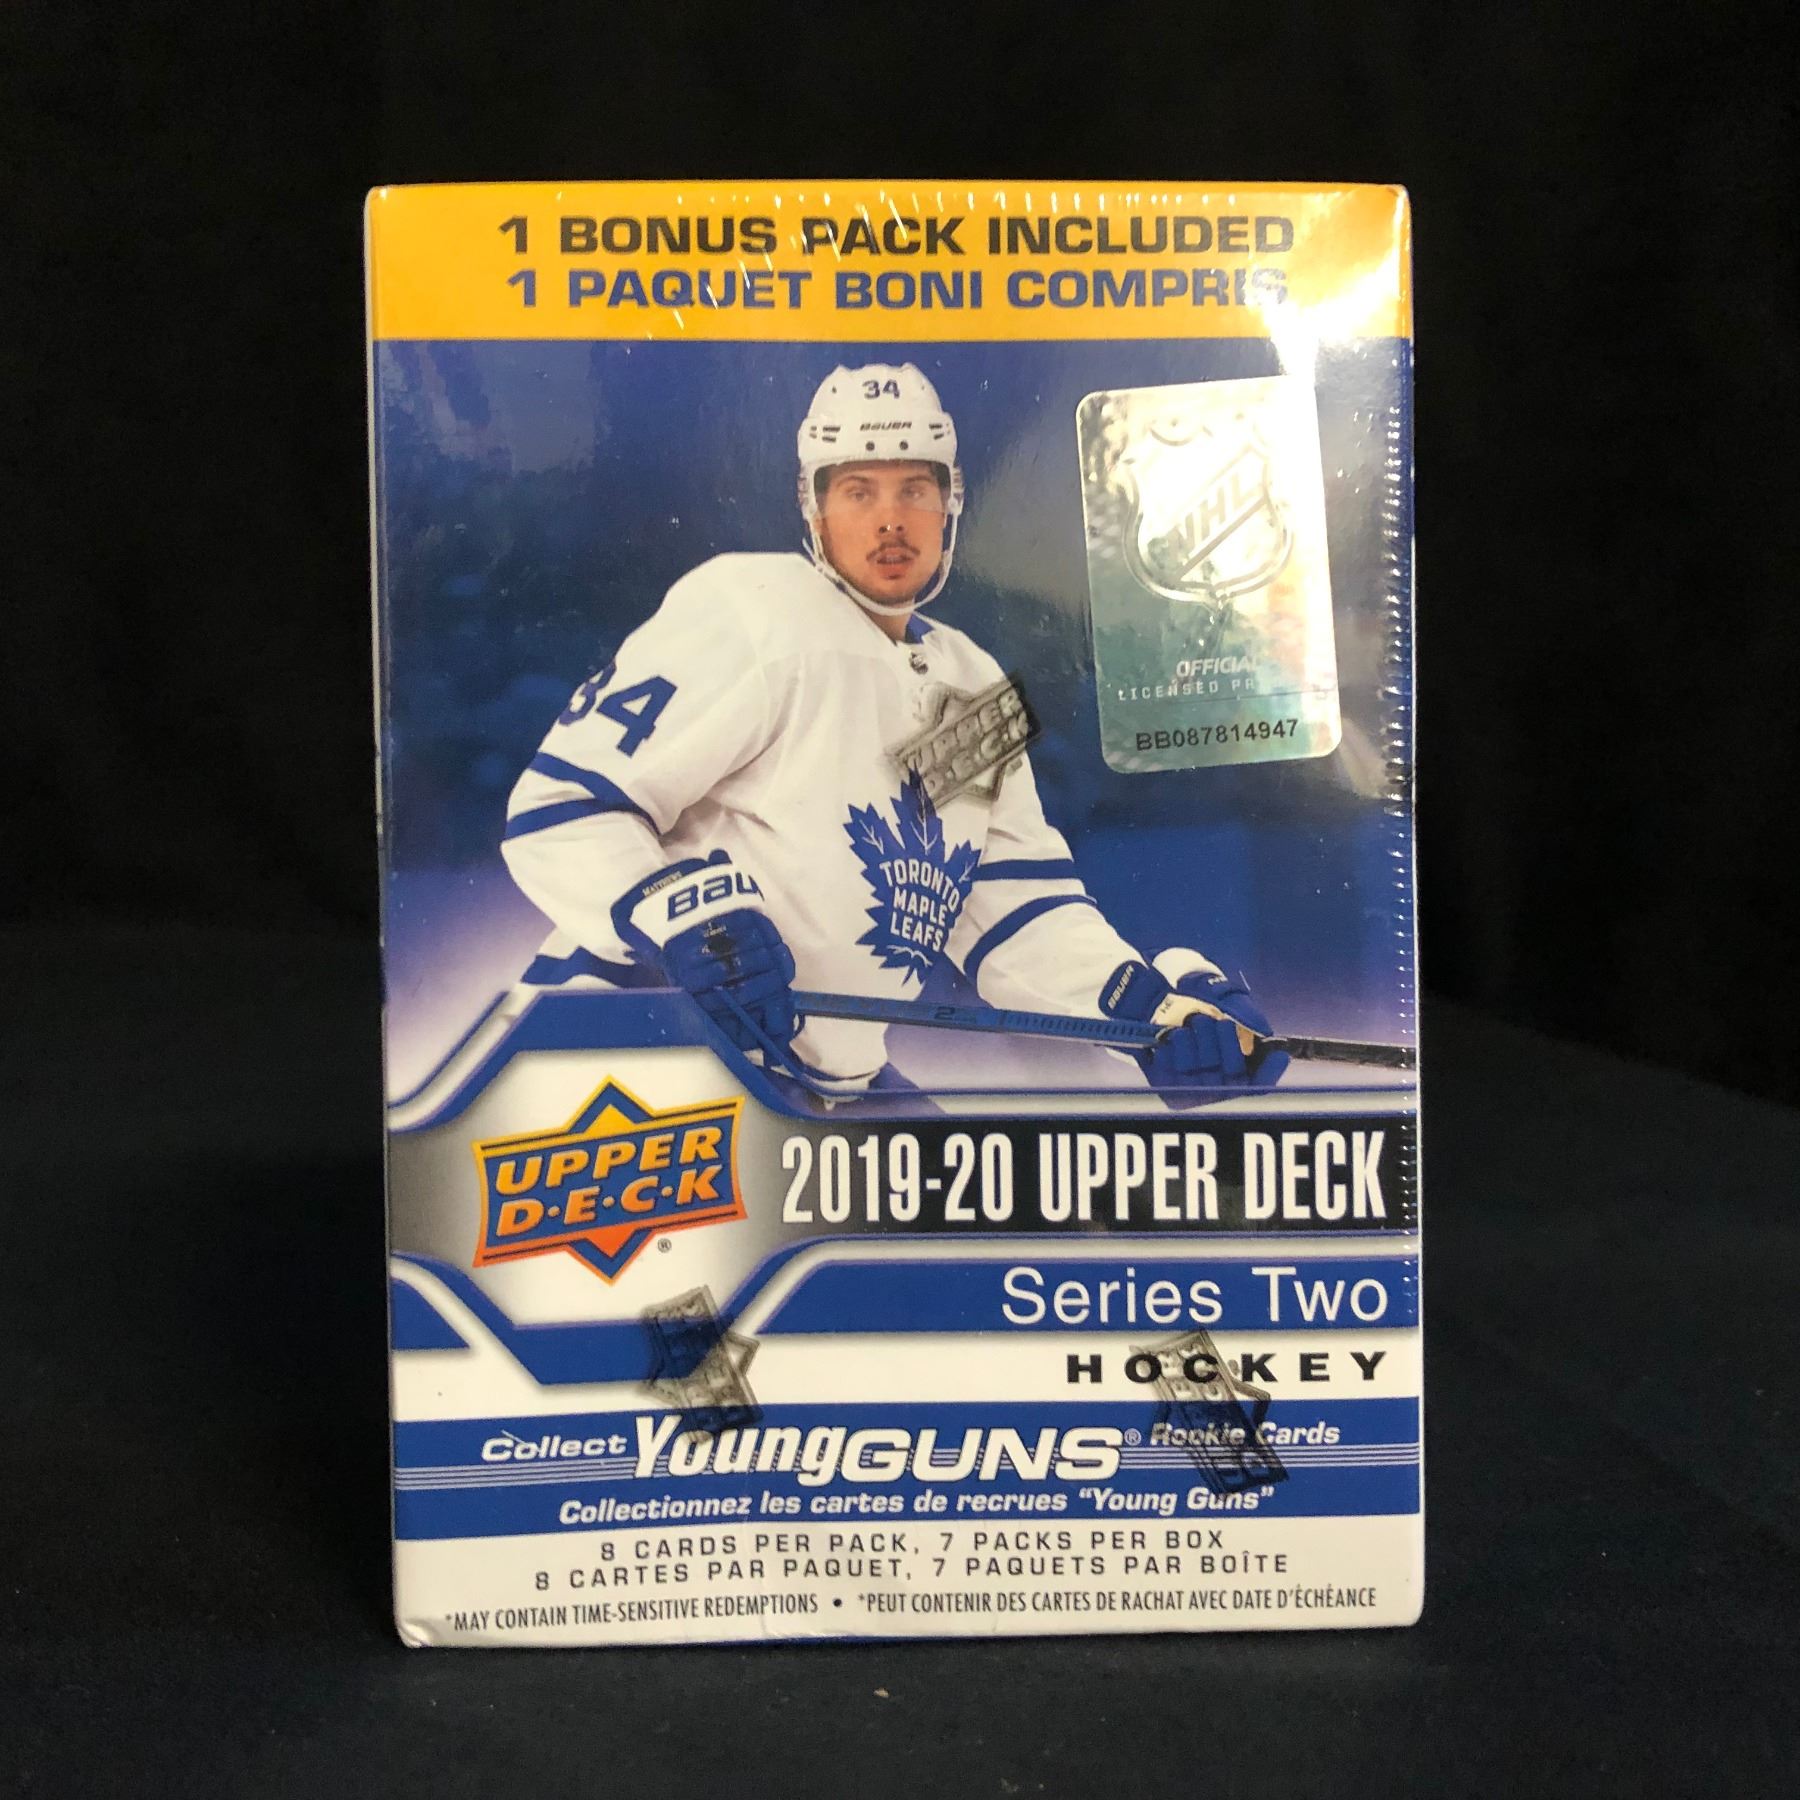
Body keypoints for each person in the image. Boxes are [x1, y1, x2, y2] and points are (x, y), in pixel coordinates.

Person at [501, 363, 1285, 1098]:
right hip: (626, 1042)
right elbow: (564, 808)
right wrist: (686, 917)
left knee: (974, 1200)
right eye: (857, 490)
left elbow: (1010, 909)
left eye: (915, 489)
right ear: (812, 506)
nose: (889, 519)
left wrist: (1149, 1013)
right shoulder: (755, 609)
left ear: (951, 504)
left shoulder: (970, 685)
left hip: (821, 1082)